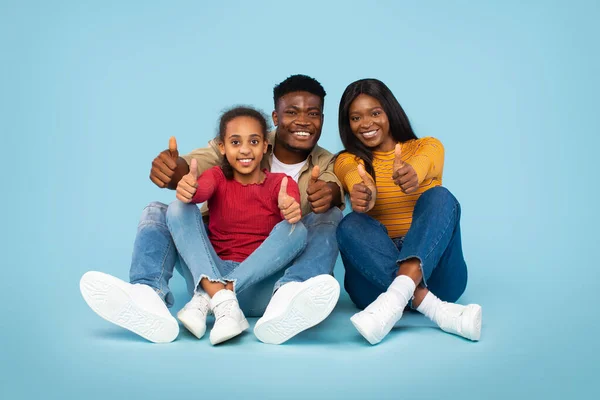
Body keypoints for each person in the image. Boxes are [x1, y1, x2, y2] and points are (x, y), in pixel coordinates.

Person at [80, 74, 343, 345]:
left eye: (313, 113)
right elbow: (192, 169)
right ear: (276, 118)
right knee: (161, 210)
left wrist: (323, 196)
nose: (303, 121)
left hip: (269, 280)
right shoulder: (245, 136)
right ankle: (148, 297)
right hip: (210, 264)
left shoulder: (326, 163)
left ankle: (286, 298)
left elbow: (333, 186)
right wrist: (178, 176)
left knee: (322, 219)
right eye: (292, 112)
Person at [334, 78, 482, 345]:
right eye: (356, 118)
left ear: (391, 111)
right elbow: (350, 177)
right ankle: (437, 310)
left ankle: (400, 297)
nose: (366, 124)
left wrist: (412, 173)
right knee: (349, 224)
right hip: (373, 283)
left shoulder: (427, 146)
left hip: (439, 274)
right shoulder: (348, 160)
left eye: (375, 113)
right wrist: (363, 191)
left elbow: (425, 163)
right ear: (348, 124)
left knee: (440, 197)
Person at [166, 106, 307, 345]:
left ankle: (214, 296)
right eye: (235, 142)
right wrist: (189, 188)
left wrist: (289, 207)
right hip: (210, 270)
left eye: (253, 141)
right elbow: (200, 192)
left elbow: (291, 201)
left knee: (298, 229)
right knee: (178, 207)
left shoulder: (281, 183)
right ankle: (218, 295)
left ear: (265, 146)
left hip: (256, 286)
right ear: (222, 147)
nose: (244, 150)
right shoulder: (217, 176)